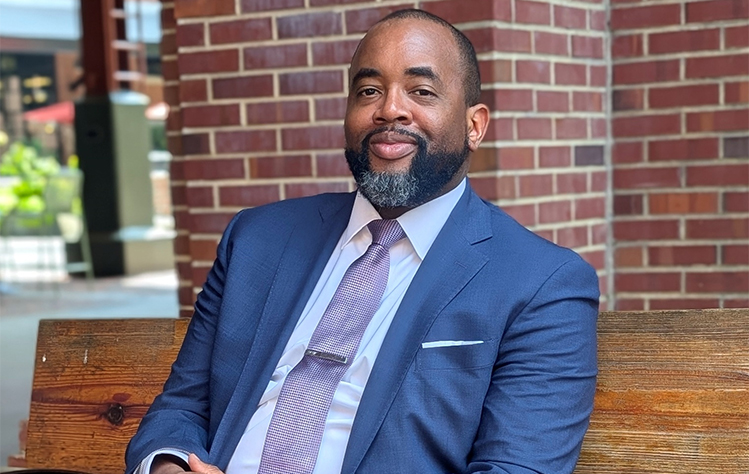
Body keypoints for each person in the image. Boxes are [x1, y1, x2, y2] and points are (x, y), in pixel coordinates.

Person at [125, 9, 599, 474]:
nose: (389, 109)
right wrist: (168, 466)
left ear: (474, 125)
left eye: (422, 91)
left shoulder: (540, 283)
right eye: (369, 90)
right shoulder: (256, 241)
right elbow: (181, 408)